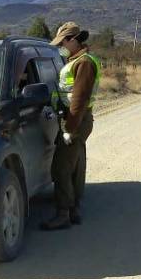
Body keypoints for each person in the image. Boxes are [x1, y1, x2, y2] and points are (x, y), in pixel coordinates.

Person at [41, 21, 101, 231]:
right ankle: (74, 210)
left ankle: (63, 214)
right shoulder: (75, 60)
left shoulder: (83, 63)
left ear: (74, 39)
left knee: (61, 168)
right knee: (72, 166)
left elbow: (79, 99)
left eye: (64, 41)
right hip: (77, 118)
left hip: (76, 119)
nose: (61, 46)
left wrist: (69, 129)